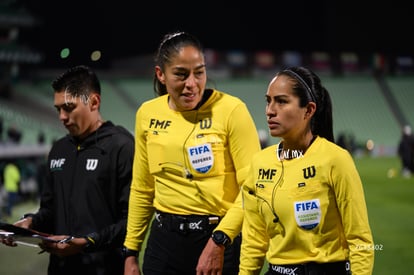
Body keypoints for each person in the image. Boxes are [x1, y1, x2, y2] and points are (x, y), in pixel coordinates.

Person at [123, 31, 261, 275]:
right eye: (181, 74)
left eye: (199, 72)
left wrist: (219, 240)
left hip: (217, 239)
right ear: (160, 75)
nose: (192, 83)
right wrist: (131, 251)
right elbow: (142, 188)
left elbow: (252, 188)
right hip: (163, 244)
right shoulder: (147, 114)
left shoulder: (232, 110)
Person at [239, 66, 374, 275]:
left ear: (309, 110)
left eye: (281, 101)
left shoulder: (336, 160)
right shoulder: (260, 163)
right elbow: (254, 240)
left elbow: (360, 240)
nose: (270, 110)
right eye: (268, 101)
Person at [1, 65, 135, 275]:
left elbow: (132, 221)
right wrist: (30, 222)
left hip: (105, 269)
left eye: (69, 107)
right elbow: (50, 210)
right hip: (60, 269)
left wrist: (86, 243)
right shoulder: (59, 149)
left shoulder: (122, 146)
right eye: (58, 109)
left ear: (94, 102)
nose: (62, 117)